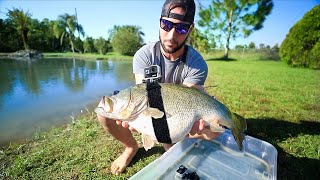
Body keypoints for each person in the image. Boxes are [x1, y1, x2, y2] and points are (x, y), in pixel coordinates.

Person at [97, 0, 220, 175]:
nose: (171, 35)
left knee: (213, 132)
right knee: (103, 114)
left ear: (190, 29)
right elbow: (145, 95)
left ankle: (171, 143)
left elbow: (188, 100)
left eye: (181, 28)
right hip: (156, 109)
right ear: (160, 22)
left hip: (179, 115)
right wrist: (139, 119)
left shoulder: (197, 64)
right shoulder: (144, 55)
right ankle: (131, 147)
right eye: (167, 24)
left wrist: (196, 128)